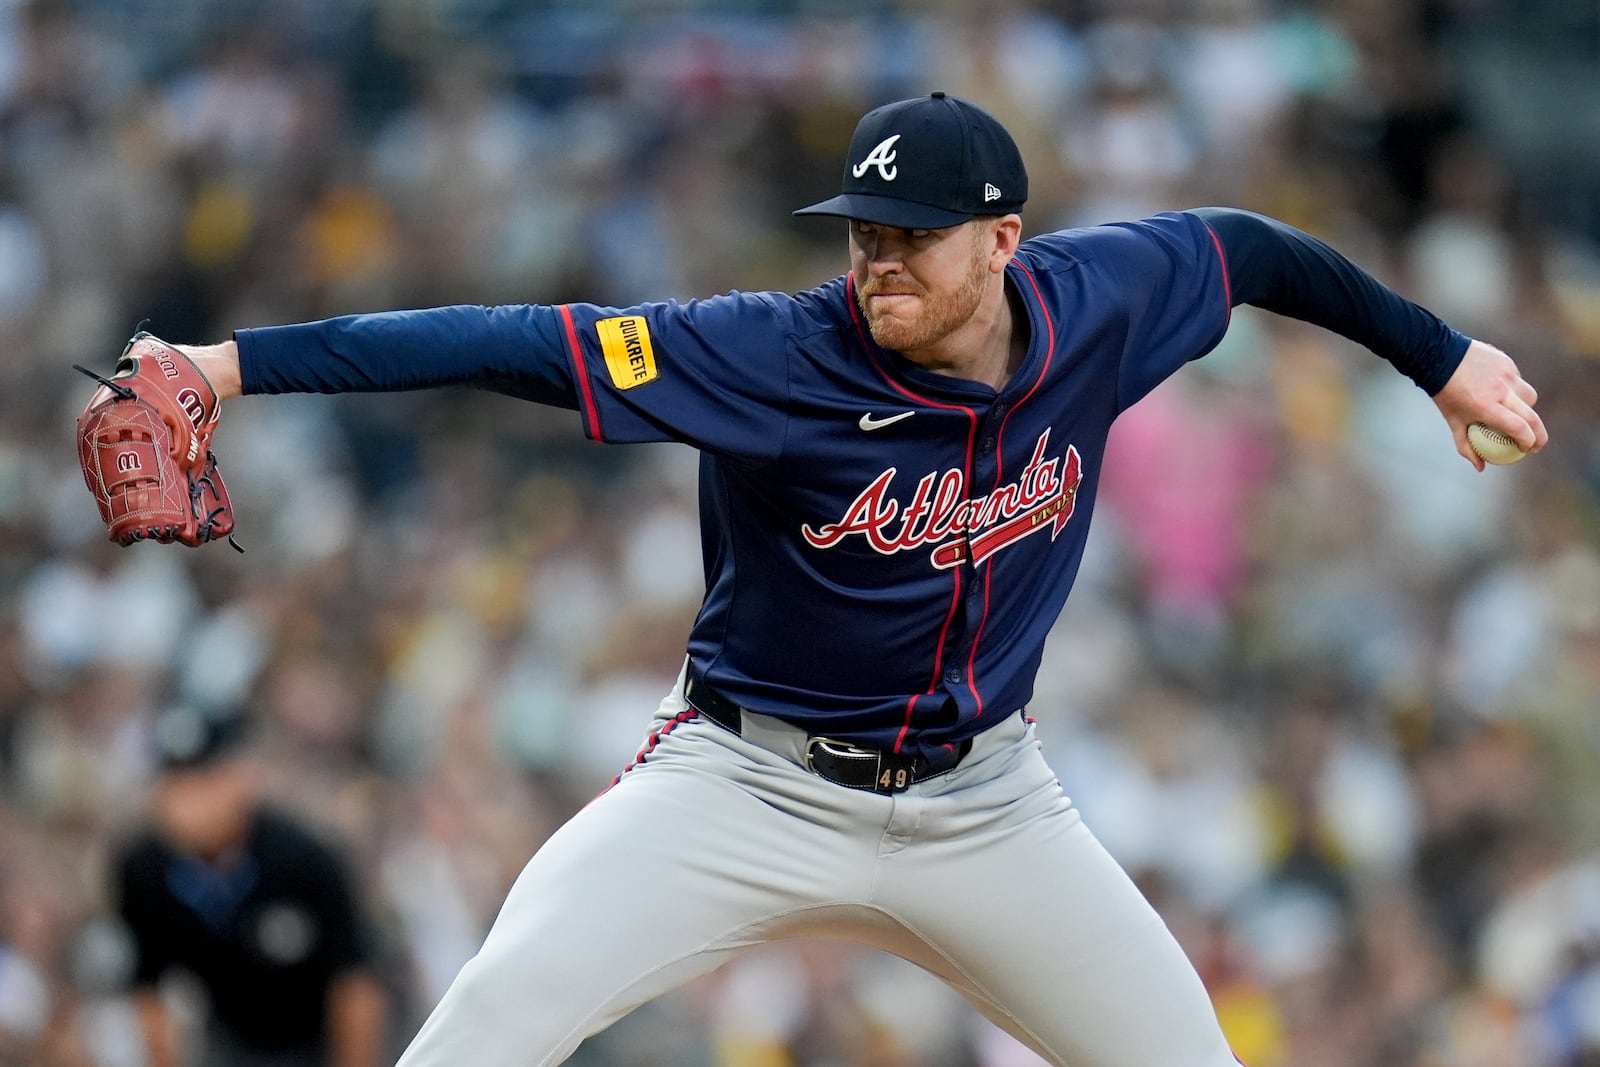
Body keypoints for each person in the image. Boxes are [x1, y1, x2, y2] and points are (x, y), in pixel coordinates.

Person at [144, 92, 1545, 1066]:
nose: (875, 261)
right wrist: (229, 364)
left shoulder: (1101, 299)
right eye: (863, 232)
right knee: (497, 1008)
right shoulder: (770, 349)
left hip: (988, 802)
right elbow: (507, 338)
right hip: (743, 786)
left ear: (1003, 240)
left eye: (913, 237)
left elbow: (1251, 248)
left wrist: (1439, 354)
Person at [112, 705, 389, 1067]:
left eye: (203, 780)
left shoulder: (302, 860)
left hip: (315, 1039)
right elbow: (149, 990)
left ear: (240, 779)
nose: (186, 802)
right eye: (174, 783)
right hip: (229, 1039)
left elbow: (355, 985)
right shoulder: (144, 870)